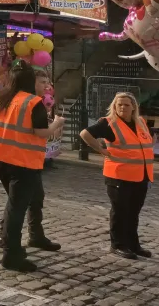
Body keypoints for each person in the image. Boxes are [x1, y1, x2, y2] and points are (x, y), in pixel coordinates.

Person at [0, 60, 65, 273]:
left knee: (29, 198)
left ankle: (34, 236)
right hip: (23, 161)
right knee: (17, 208)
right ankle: (11, 254)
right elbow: (41, 132)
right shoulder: (32, 102)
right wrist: (57, 123)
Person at [80, 92, 154, 259]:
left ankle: (133, 244)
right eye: (118, 104)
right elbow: (85, 134)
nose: (122, 107)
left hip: (141, 176)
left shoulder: (140, 122)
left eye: (126, 104)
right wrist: (100, 149)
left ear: (133, 107)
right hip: (119, 176)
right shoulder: (109, 123)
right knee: (120, 211)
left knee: (134, 212)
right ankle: (118, 244)